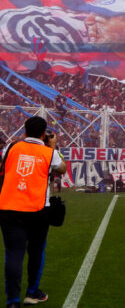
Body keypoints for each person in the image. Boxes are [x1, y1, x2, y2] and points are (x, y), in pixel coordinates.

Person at [0, 116, 67, 308]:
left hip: (9, 207)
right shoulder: (48, 152)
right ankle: (32, 292)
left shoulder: (11, 147)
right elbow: (62, 169)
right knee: (36, 251)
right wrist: (52, 146)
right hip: (37, 209)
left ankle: (13, 301)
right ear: (44, 134)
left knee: (13, 253)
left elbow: (5, 163)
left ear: (24, 130)